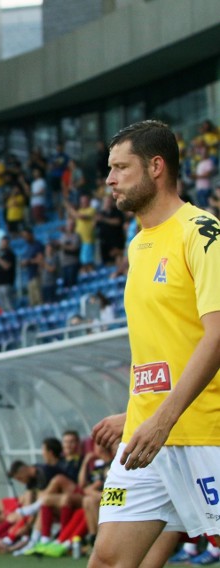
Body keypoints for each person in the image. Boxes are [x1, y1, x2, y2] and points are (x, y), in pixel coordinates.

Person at [88, 120, 220, 568]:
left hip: (205, 432)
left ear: (156, 167)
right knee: (108, 560)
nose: (110, 179)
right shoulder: (138, 244)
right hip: (148, 436)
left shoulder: (202, 233)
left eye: (121, 168)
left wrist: (163, 417)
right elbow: (170, 343)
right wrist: (138, 414)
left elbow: (217, 336)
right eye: (110, 169)